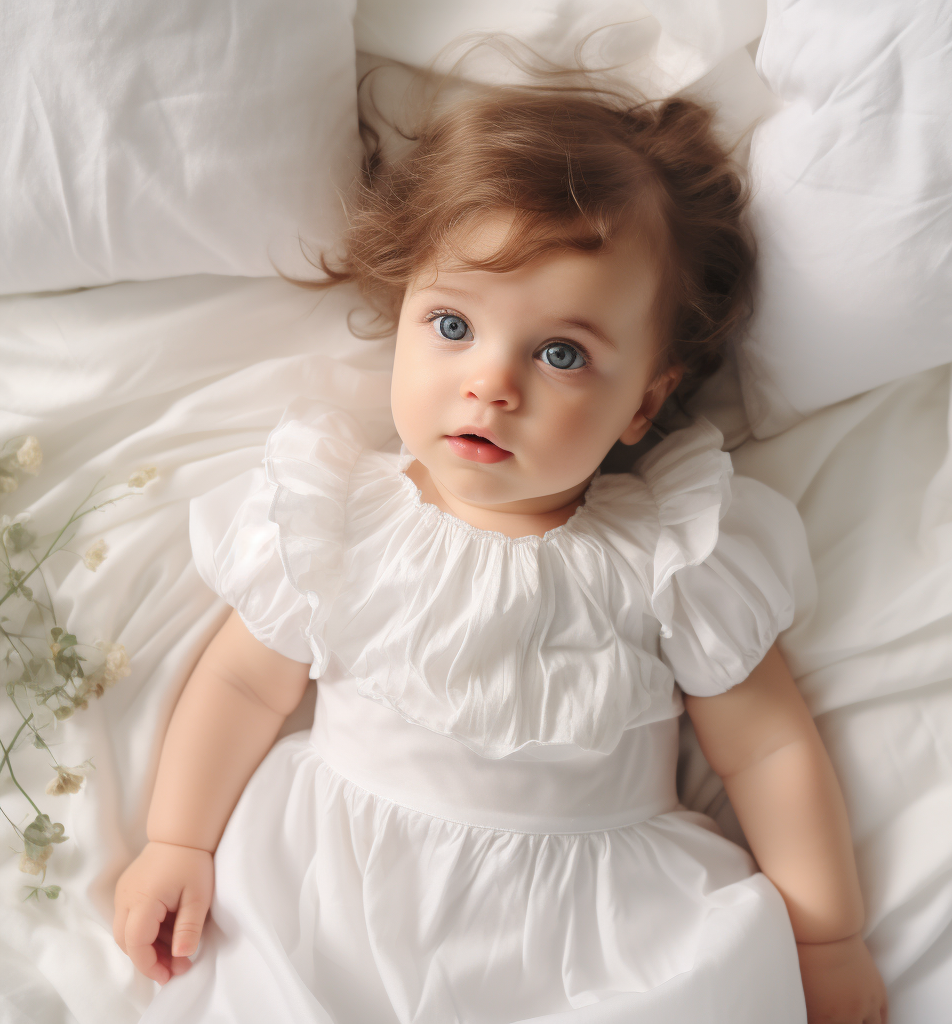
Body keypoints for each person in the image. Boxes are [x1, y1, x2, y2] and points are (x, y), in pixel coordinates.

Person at [114, 84, 888, 1023]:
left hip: (597, 932)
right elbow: (242, 685)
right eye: (452, 327)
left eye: (560, 354)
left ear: (645, 400)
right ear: (402, 320)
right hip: (339, 895)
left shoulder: (673, 558)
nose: (490, 383)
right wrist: (177, 842)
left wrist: (826, 937)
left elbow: (767, 748)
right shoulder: (336, 520)